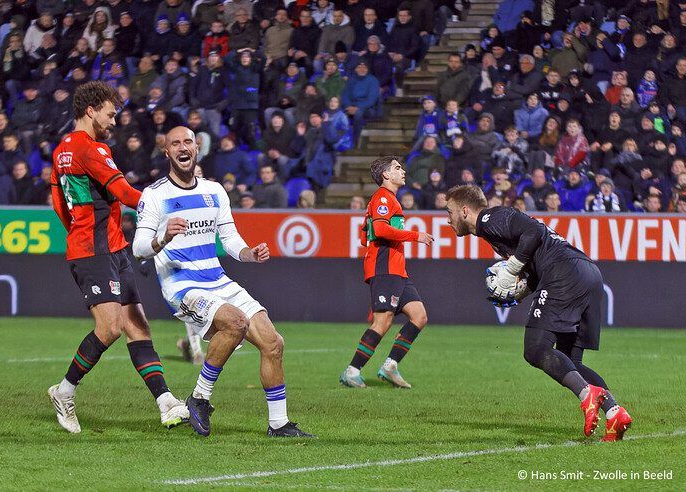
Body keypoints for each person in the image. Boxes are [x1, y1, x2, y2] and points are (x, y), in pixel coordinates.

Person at [133, 126, 314, 438]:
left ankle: (279, 424)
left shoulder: (215, 191)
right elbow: (138, 249)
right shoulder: (155, 195)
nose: (182, 147)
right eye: (174, 143)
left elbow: (230, 240)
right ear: (167, 152)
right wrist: (163, 237)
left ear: (197, 148)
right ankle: (200, 398)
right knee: (235, 322)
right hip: (182, 287)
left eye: (187, 141)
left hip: (218, 280)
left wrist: (249, 254)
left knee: (273, 343)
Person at [47, 81, 189, 434]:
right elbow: (125, 193)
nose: (114, 122)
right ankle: (64, 391)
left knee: (137, 325)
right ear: (91, 110)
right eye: (111, 115)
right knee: (109, 327)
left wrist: (79, 228)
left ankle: (165, 400)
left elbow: (57, 202)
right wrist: (167, 200)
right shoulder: (91, 148)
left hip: (108, 247)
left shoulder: (62, 149)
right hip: (95, 249)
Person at [445, 185, 632, 441]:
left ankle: (586, 394)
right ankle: (614, 412)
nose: (448, 219)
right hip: (587, 274)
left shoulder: (490, 218)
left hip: (563, 274)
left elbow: (533, 231)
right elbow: (534, 254)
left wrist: (511, 269)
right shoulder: (493, 230)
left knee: (535, 348)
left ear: (465, 211)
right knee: (572, 362)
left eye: (450, 212)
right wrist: (521, 291)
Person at [340, 156, 434, 389]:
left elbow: (365, 235)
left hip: (397, 270)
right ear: (386, 175)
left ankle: (390, 366)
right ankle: (352, 371)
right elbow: (380, 229)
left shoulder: (388, 199)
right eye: (397, 168)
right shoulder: (383, 197)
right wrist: (415, 235)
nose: (402, 171)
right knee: (383, 321)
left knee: (419, 316)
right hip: (384, 268)